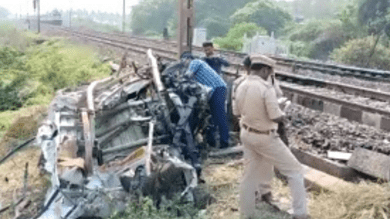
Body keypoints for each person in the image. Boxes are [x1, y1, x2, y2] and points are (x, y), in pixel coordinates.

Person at [233, 54, 309, 219]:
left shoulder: (240, 85)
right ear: (264, 69)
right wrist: (283, 113)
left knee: (249, 175)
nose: (270, 75)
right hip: (265, 136)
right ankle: (300, 213)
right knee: (295, 171)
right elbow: (274, 116)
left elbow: (236, 112)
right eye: (270, 71)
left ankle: (246, 213)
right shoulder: (266, 89)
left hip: (246, 133)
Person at [181, 52, 230, 149]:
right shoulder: (197, 64)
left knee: (219, 116)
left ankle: (225, 141)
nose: (183, 63)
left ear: (187, 59)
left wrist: (181, 79)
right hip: (213, 91)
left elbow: (187, 75)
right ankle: (213, 141)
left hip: (217, 89)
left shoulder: (195, 62)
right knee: (212, 116)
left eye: (183, 60)